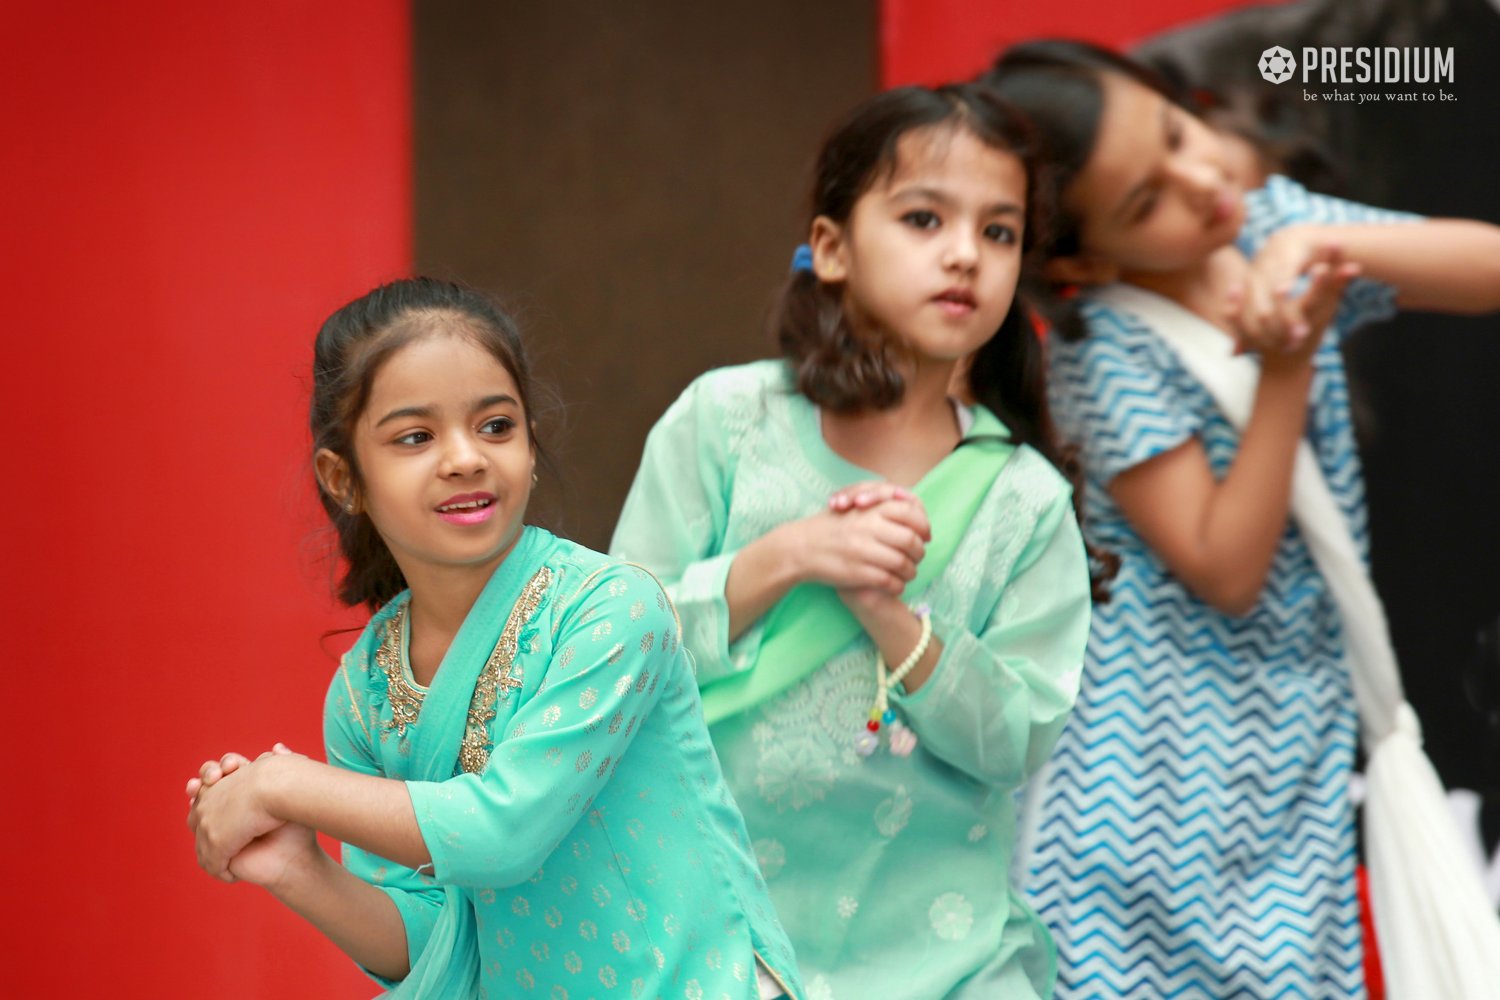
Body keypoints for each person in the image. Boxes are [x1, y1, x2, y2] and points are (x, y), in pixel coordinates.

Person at [984, 39, 1500, 999]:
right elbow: (1227, 568)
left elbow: (1486, 265)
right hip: (1140, 780)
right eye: (1148, 200)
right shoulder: (1109, 354)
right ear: (1085, 259)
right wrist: (1287, 365)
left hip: (1288, 748)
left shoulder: (1272, 226)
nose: (1201, 182)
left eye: (1178, 135)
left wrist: (1319, 248)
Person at [184, 277, 803, 1000]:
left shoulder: (610, 610)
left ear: (531, 445)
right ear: (343, 478)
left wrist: (283, 783)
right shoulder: (365, 692)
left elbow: (501, 832)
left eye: (496, 426)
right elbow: (429, 946)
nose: (466, 457)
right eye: (416, 437)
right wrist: (300, 869)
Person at [610, 85, 1095, 999]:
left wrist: (890, 618)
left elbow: (1018, 738)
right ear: (830, 248)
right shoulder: (724, 423)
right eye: (924, 218)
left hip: (944, 963)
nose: (965, 254)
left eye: (1000, 232)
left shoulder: (1025, 500)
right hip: (714, 944)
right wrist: (789, 556)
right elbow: (614, 644)